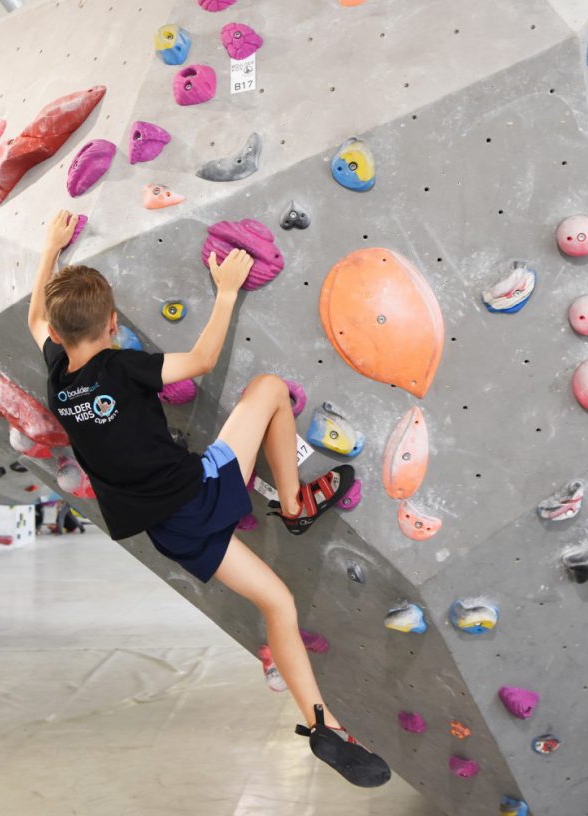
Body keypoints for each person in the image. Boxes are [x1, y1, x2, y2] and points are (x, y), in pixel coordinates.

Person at [27, 209, 390, 789]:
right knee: (269, 389)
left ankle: (325, 726)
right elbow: (198, 361)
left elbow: (37, 319)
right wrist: (225, 293)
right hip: (202, 489)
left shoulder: (60, 381)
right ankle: (294, 505)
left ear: (64, 339)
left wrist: (49, 250)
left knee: (277, 603)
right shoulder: (123, 367)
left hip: (172, 531)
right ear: (113, 325)